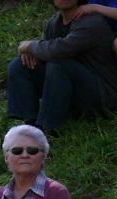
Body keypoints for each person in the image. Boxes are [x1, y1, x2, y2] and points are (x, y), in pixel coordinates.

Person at [7, 0, 117, 133]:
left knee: (59, 64)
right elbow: (45, 50)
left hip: (101, 96)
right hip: (70, 90)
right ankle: (29, 127)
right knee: (19, 65)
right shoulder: (54, 23)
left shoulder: (91, 23)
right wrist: (30, 52)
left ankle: (47, 129)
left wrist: (30, 46)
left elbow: (60, 50)